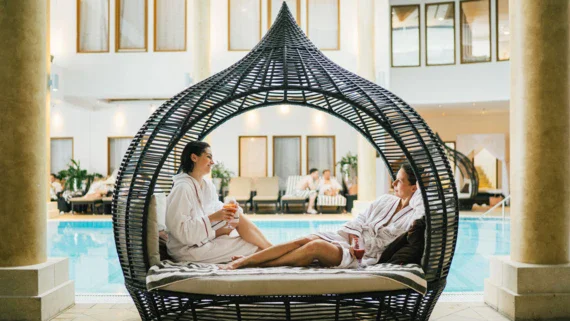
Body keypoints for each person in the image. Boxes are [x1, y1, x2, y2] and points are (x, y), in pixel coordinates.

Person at [225, 162, 424, 270]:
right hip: (351, 242)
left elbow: (421, 205)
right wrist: (355, 239)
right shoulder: (385, 201)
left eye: (399, 181)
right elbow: (359, 220)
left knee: (315, 247)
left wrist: (419, 193)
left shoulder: (413, 217)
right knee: (307, 238)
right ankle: (251, 259)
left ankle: (250, 262)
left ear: (414, 188)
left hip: (364, 257)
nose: (394, 185)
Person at [165, 141, 272, 263]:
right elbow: (182, 232)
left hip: (202, 237)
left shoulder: (206, 185)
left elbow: (214, 206)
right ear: (194, 157)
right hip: (187, 249)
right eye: (209, 157)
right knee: (254, 247)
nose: (213, 162)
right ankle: (275, 251)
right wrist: (214, 217)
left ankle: (273, 249)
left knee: (238, 218)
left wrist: (226, 209)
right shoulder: (182, 188)